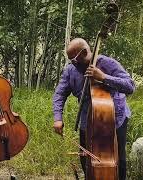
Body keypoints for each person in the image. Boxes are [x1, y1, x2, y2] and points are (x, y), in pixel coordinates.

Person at [52, 38, 135, 180]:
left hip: (115, 117)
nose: (72, 63)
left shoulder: (108, 63)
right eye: (70, 59)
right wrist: (58, 118)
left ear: (84, 52)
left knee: (117, 158)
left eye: (74, 59)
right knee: (86, 158)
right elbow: (60, 93)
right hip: (88, 118)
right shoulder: (71, 71)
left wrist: (103, 77)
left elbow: (130, 86)